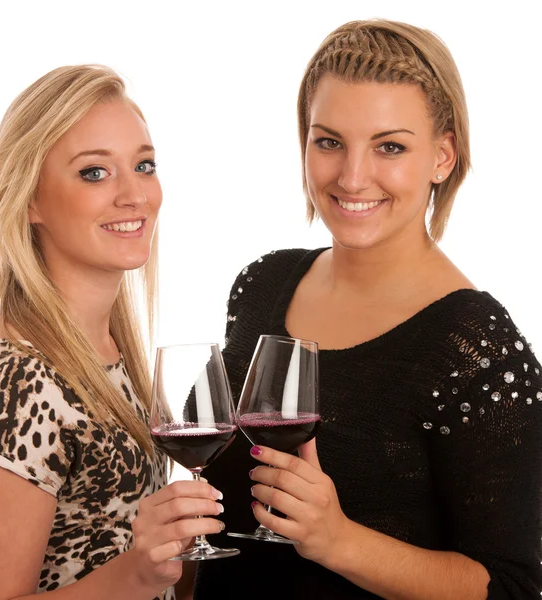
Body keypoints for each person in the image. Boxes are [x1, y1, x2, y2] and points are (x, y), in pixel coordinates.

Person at [194, 19, 542, 600]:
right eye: (329, 141)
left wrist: (338, 540)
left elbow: (512, 587)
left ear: (443, 156)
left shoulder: (477, 347)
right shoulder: (262, 285)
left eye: (390, 146)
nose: (353, 177)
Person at [0, 65, 224, 600]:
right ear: (29, 200)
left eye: (144, 165)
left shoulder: (109, 354)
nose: (134, 195)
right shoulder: (15, 382)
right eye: (95, 172)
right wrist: (141, 572)